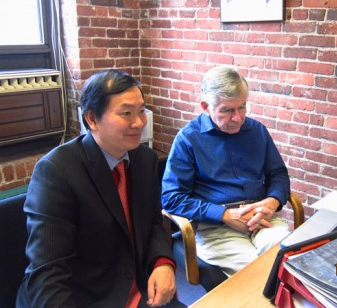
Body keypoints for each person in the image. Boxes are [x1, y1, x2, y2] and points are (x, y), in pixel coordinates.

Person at [16, 70, 183, 308]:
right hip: (84, 298)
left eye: (141, 111)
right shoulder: (56, 171)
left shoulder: (144, 159)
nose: (139, 123)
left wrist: (163, 262)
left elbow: (154, 222)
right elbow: (47, 273)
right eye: (126, 113)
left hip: (139, 290)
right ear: (92, 119)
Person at [162, 66, 291, 277]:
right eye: (227, 110)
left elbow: (278, 174)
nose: (238, 117)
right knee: (256, 276)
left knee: (287, 259)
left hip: (261, 218)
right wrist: (223, 214)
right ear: (205, 106)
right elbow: (172, 198)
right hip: (216, 227)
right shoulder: (188, 139)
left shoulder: (257, 131)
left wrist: (273, 201)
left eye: (242, 107)